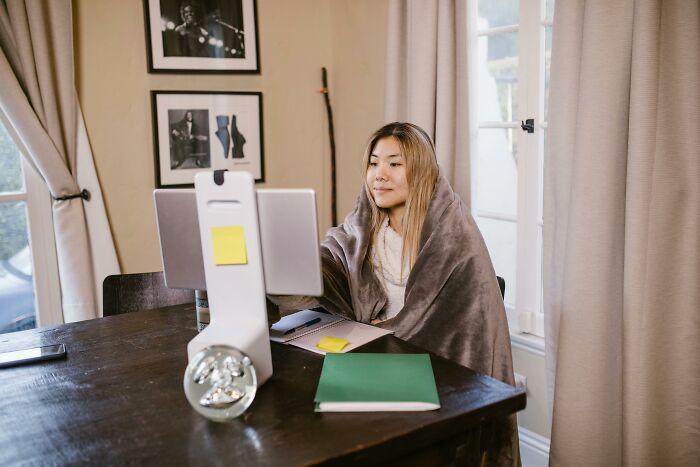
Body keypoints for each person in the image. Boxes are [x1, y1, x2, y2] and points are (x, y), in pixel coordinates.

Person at [270, 122, 519, 465]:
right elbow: (326, 269)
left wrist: (384, 330)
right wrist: (281, 265)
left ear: (420, 171)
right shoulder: (364, 226)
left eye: (394, 164)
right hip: (375, 365)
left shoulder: (452, 234)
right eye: (373, 163)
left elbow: (449, 323)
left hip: (440, 380)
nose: (379, 175)